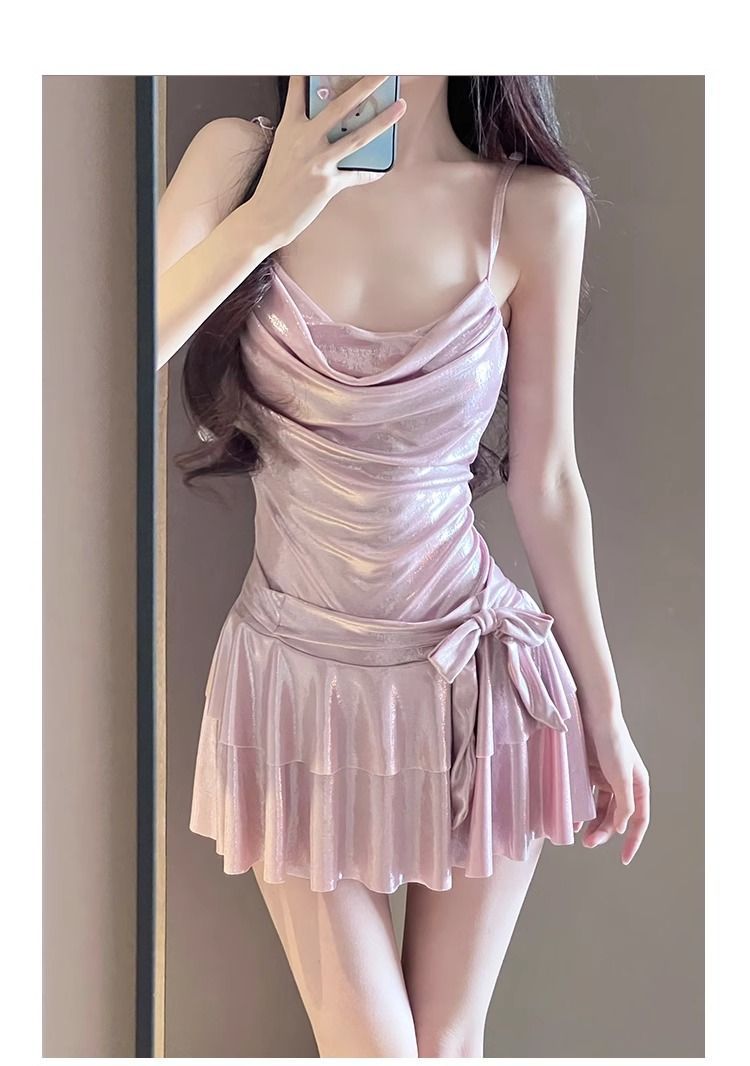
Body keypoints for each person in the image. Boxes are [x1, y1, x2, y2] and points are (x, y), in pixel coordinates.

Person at [158, 75, 650, 1058]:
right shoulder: (236, 162)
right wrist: (265, 221)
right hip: (293, 685)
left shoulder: (533, 210)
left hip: (480, 684)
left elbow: (549, 480)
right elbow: (96, 360)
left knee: (447, 1044)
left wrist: (603, 709)